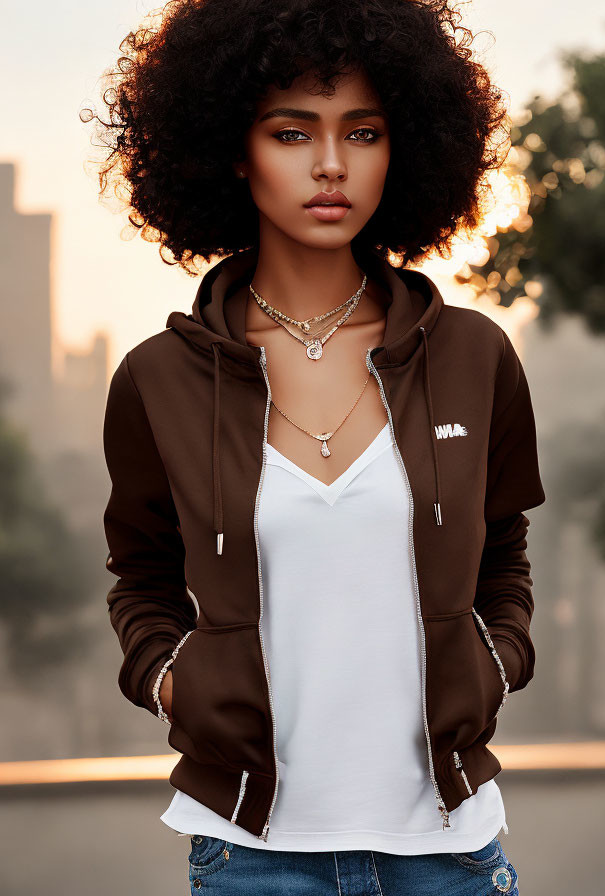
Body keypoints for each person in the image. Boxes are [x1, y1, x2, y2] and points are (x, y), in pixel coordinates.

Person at [91, 1, 546, 893]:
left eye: (363, 132)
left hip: (448, 850)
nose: (331, 165)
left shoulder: (474, 356)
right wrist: (168, 680)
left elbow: (506, 550)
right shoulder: (158, 380)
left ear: (400, 148)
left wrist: (498, 662)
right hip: (248, 854)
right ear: (234, 147)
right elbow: (140, 575)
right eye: (292, 132)